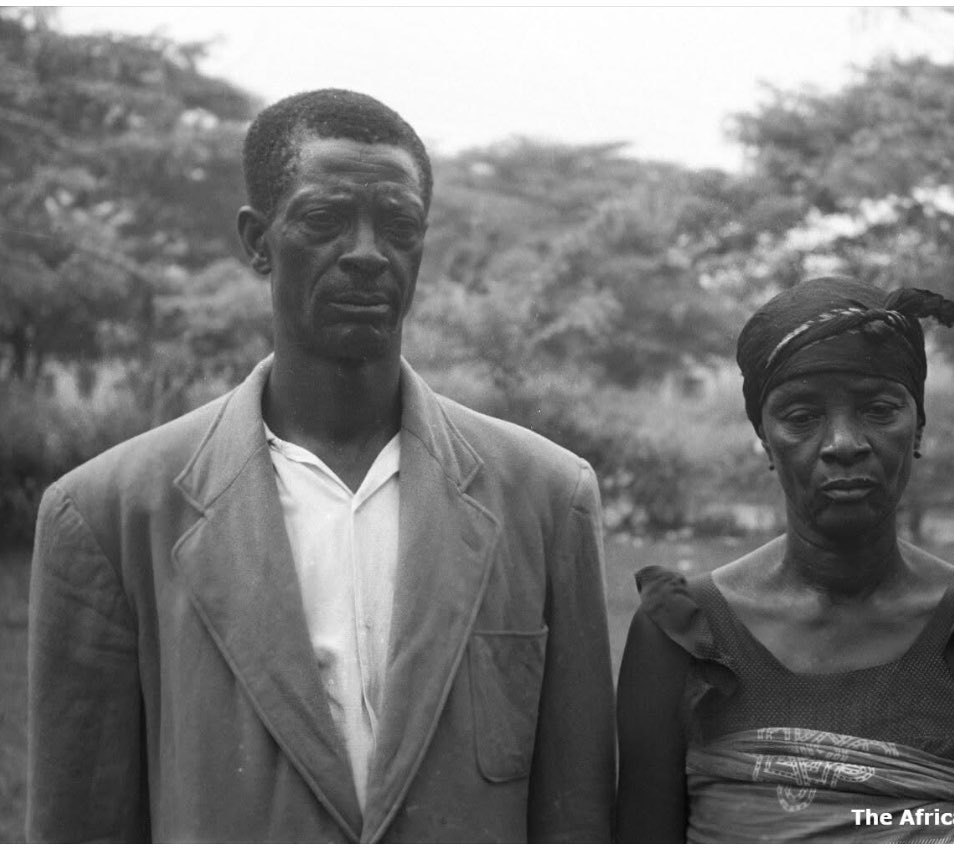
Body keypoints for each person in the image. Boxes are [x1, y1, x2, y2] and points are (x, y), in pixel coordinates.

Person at [27, 89, 614, 843]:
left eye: (398, 226)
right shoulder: (109, 514)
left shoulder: (546, 497)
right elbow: (81, 821)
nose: (367, 252)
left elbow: (578, 813)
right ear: (257, 241)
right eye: (324, 219)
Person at [615, 276, 954, 843]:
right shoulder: (683, 636)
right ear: (764, 438)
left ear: (918, 426)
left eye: (879, 409)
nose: (843, 443)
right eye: (801, 416)